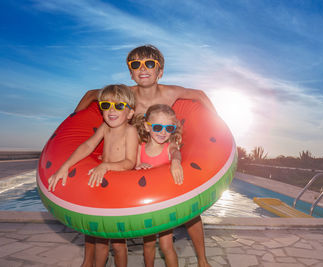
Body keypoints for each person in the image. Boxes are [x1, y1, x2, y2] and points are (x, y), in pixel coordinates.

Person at [75, 44, 213, 267]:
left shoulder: (171, 92)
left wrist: (217, 124)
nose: (143, 68)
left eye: (149, 63)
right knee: (96, 202)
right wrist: (74, 119)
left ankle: (203, 260)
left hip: (163, 152)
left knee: (191, 212)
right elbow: (92, 95)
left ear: (160, 70)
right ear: (130, 71)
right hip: (137, 155)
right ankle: (88, 261)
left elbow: (200, 95)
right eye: (135, 64)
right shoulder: (127, 94)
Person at [48, 84, 138, 267]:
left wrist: (106, 166)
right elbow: (88, 146)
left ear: (130, 113)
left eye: (119, 106)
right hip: (101, 186)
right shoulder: (105, 127)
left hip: (118, 188)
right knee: (99, 241)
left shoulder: (130, 131)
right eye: (106, 105)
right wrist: (65, 166)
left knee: (119, 244)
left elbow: (130, 163)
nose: (111, 110)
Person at [135, 104, 183, 267]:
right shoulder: (139, 149)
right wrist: (138, 166)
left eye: (168, 128)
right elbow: (131, 171)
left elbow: (176, 151)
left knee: (166, 245)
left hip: (164, 205)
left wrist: (175, 162)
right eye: (157, 127)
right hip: (146, 206)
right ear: (147, 127)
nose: (163, 132)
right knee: (148, 245)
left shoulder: (169, 147)